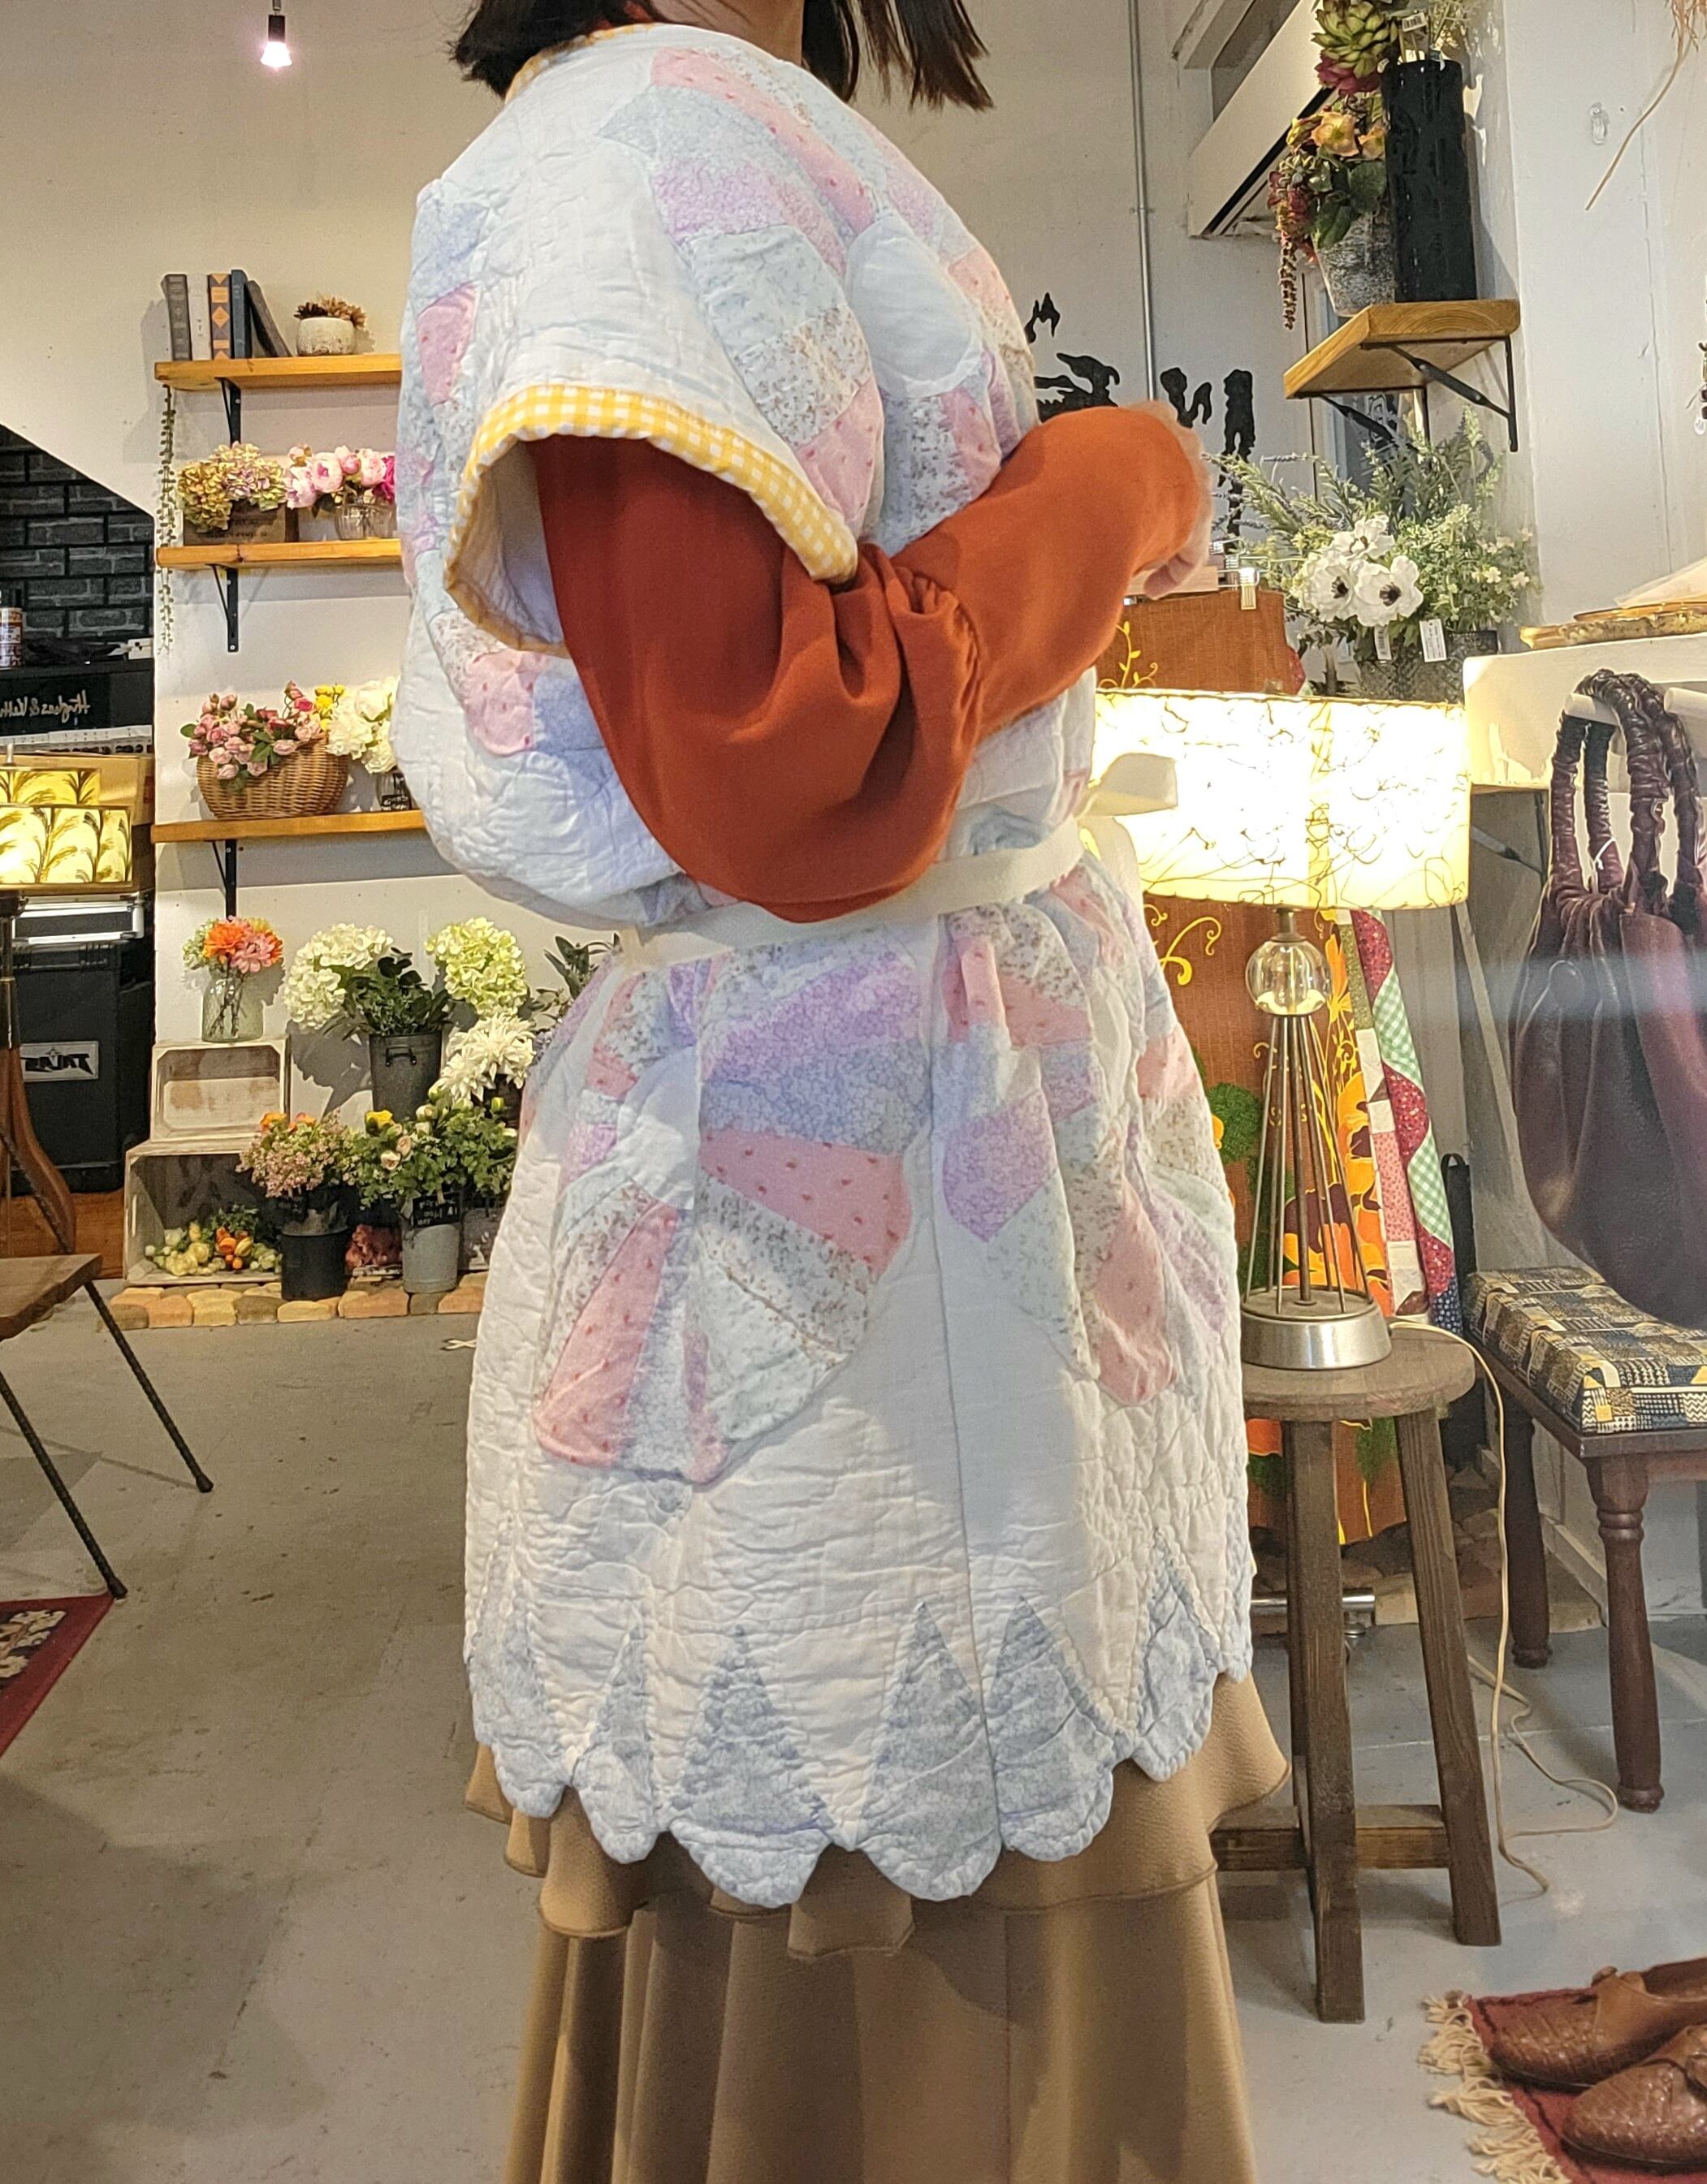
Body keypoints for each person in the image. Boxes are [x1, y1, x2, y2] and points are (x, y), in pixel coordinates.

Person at [395, 5, 1286, 2178]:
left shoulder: (697, 121)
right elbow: (794, 762)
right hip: (858, 1213)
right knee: (904, 1939)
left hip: (912, 1149)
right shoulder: (632, 143)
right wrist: (1116, 482)